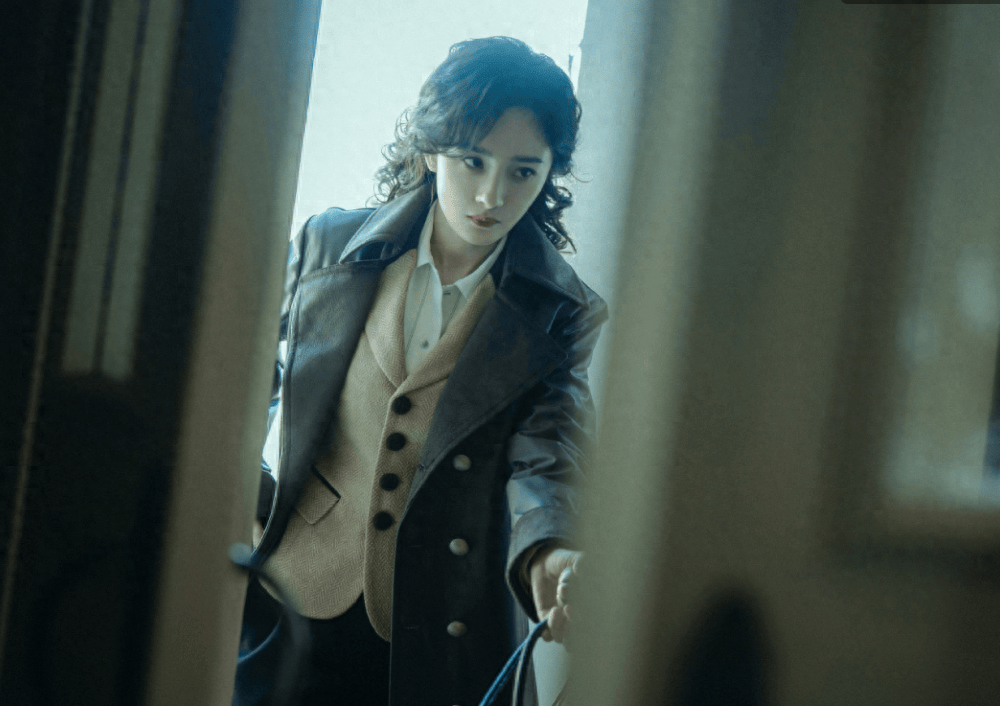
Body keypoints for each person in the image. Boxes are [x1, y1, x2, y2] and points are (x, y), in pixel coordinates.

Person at [234, 36, 607, 706]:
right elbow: (237, 373)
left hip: (439, 628)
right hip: (286, 597)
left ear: (550, 172)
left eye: (523, 171)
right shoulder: (328, 244)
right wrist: (242, 496)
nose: (491, 194)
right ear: (433, 149)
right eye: (473, 161)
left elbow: (550, 450)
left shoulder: (560, 310)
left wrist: (552, 551)